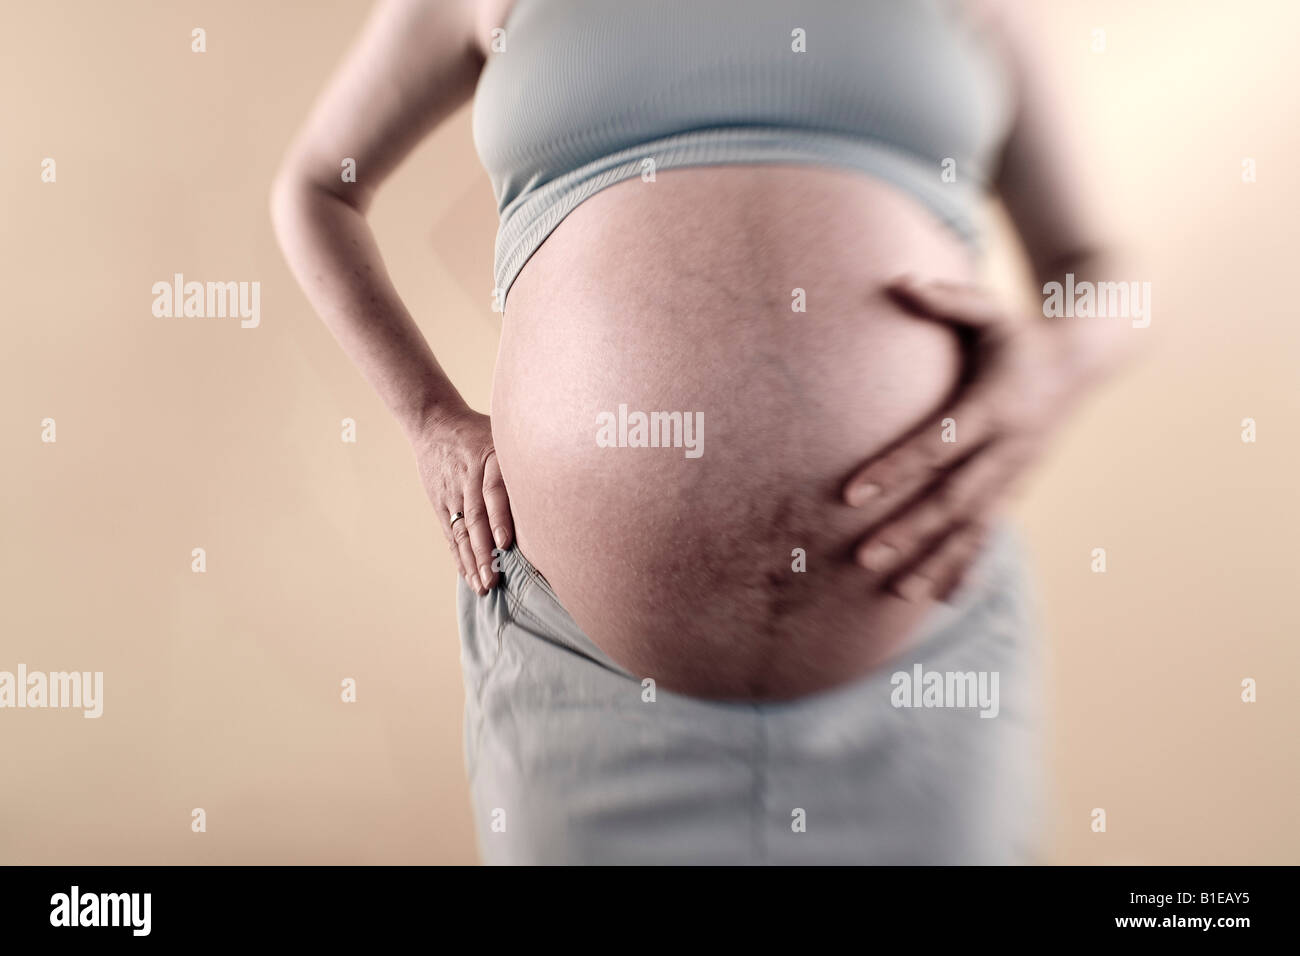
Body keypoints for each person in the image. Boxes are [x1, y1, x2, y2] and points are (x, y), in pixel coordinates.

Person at [271, 0, 1131, 864]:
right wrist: (430, 419)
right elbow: (316, 186)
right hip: (584, 682)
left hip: (928, 662)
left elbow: (1102, 274)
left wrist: (1054, 366)